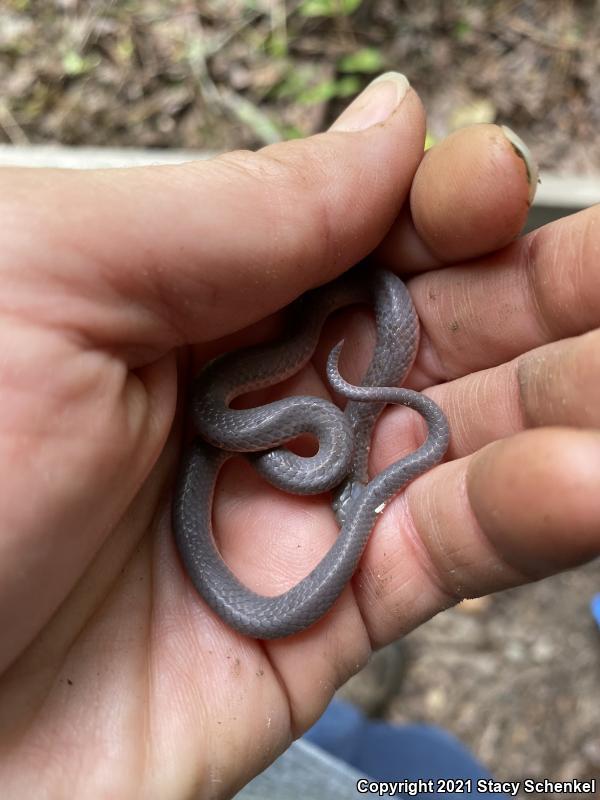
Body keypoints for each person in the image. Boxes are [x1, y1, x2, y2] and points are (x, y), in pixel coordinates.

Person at [0, 71, 597, 798]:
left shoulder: (264, 416)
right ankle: (356, 731)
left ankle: (353, 729)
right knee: (435, 775)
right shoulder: (246, 422)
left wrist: (351, 425)